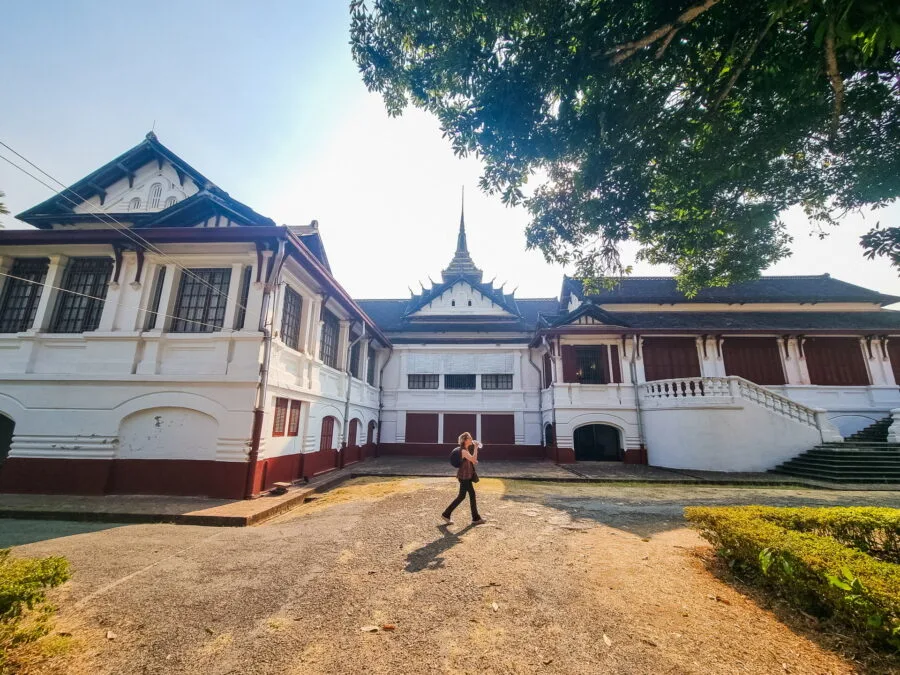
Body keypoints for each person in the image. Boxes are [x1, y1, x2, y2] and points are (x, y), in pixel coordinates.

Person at [441, 432, 485, 525]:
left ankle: (446, 514)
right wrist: (476, 448)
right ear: (465, 440)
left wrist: (473, 458)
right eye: (469, 438)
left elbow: (472, 460)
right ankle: (475, 518)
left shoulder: (465, 449)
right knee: (470, 495)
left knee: (462, 496)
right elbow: (473, 459)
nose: (472, 439)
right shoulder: (463, 451)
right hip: (465, 477)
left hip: (466, 475)